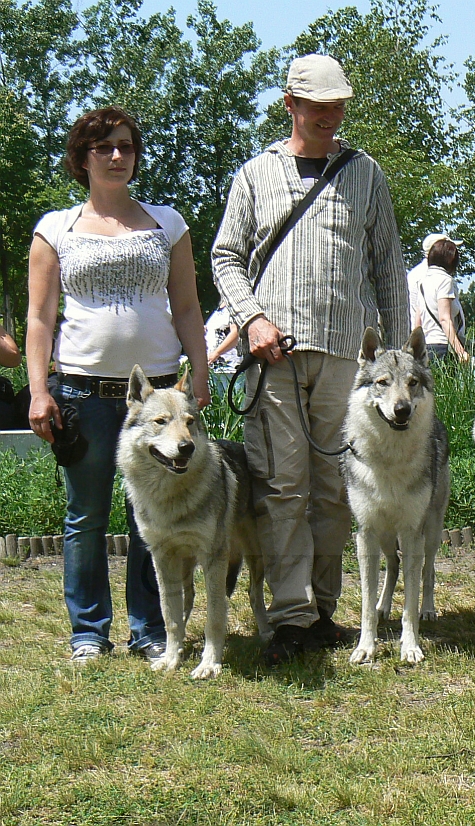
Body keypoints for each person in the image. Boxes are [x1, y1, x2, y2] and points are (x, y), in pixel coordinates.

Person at [212, 54, 408, 665]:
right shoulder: (254, 174)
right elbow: (224, 258)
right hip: (273, 356)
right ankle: (291, 616)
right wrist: (254, 320)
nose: (328, 116)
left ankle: (324, 610)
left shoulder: (366, 174)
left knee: (332, 490)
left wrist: (398, 357)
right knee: (281, 486)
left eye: (336, 105)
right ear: (290, 104)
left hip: (350, 363)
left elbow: (388, 268)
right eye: (316, 105)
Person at [25, 106, 210, 663]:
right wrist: (39, 390)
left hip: (159, 398)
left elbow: (186, 306)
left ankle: (150, 629)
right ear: (82, 158)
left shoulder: (168, 224)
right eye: (103, 147)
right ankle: (88, 633)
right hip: (81, 395)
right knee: (85, 516)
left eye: (125, 146)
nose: (115, 156)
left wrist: (198, 372)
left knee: (151, 518)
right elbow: (38, 317)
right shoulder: (54, 229)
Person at [417, 238, 470, 362]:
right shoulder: (445, 280)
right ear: (451, 259)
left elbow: (418, 320)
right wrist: (460, 351)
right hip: (443, 348)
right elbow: (445, 319)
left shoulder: (422, 281)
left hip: (426, 347)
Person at [407, 232, 463, 332]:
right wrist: (458, 347)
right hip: (441, 340)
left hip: (427, 338)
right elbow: (444, 318)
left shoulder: (416, 274)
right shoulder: (436, 277)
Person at [205, 299, 241, 398]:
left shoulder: (235, 304)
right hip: (216, 367)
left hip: (231, 368)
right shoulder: (220, 308)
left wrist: (216, 353)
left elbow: (236, 332)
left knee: (234, 404)